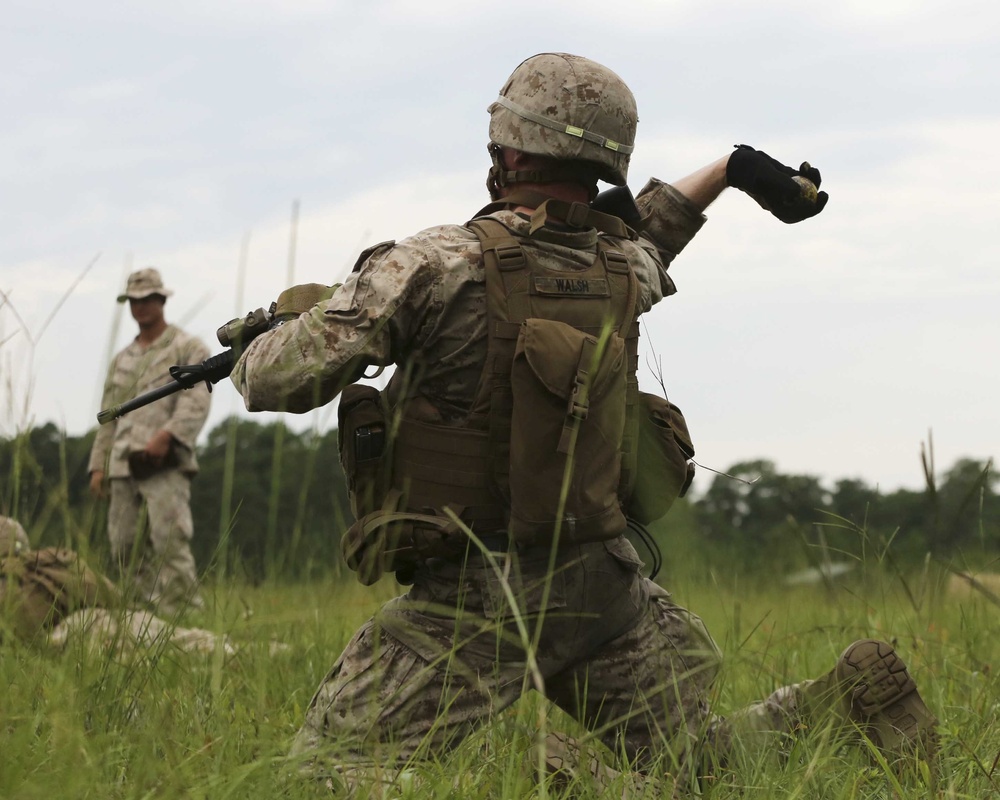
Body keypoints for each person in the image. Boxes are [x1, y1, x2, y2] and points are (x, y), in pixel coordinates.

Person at [230, 53, 936, 792]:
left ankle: (583, 787)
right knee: (694, 760)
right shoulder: (621, 267)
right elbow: (651, 233)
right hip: (602, 585)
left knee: (318, 776)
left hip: (472, 599)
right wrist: (729, 169)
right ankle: (837, 710)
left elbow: (276, 379)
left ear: (506, 151)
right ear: (606, 162)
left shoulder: (432, 263)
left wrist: (259, 337)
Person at [88, 267, 211, 615]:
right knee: (123, 545)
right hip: (123, 463)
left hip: (165, 461)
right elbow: (107, 414)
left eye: (147, 299)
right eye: (134, 301)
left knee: (170, 540)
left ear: (161, 300)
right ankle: (145, 615)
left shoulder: (187, 346)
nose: (140, 306)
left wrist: (169, 434)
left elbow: (198, 396)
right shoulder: (122, 360)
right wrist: (99, 464)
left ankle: (185, 615)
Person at [0, 515, 232, 654]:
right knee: (191, 641)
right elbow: (115, 596)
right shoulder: (56, 559)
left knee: (186, 651)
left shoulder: (11, 578)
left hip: (84, 632)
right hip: (123, 618)